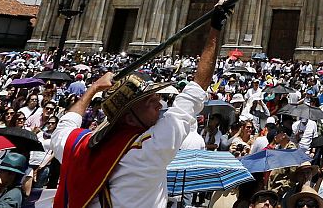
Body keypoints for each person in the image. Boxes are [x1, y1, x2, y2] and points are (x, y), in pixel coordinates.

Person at [51, 11, 221, 208]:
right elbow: (196, 89)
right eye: (150, 101)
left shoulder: (80, 146)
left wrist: (94, 88)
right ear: (129, 118)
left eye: (159, 98)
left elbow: (65, 126)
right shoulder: (148, 151)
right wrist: (215, 28)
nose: (160, 105)